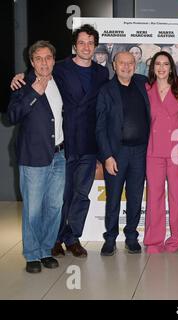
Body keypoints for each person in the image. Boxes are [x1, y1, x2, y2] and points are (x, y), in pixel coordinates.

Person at [11, 24, 110, 258]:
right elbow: (37, 73)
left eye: (90, 43)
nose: (86, 47)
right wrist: (20, 77)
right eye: (82, 42)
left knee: (81, 195)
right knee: (58, 198)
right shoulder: (60, 68)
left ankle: (73, 237)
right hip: (63, 145)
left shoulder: (102, 73)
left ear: (95, 46)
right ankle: (53, 240)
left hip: (88, 145)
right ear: (74, 45)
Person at [8, 41, 65, 273]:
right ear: (32, 62)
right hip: (33, 158)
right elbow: (12, 116)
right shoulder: (22, 84)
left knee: (54, 207)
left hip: (59, 156)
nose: (44, 63)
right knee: (33, 209)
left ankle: (45, 249)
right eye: (38, 58)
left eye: (48, 58)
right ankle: (32, 254)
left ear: (53, 60)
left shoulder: (59, 80)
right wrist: (34, 92)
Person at [96, 52, 150, 256]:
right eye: (122, 63)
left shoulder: (143, 83)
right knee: (113, 198)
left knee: (135, 197)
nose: (126, 67)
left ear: (135, 65)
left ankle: (131, 237)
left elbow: (168, 80)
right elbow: (100, 127)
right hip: (116, 154)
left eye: (130, 63)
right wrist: (107, 156)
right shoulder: (105, 91)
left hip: (141, 152)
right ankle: (110, 238)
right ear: (114, 65)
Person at [144, 51, 178, 254]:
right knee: (154, 195)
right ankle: (154, 241)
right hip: (153, 149)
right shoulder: (146, 89)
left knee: (177, 196)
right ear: (153, 67)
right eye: (158, 64)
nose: (162, 68)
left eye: (165, 64)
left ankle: (175, 240)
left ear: (171, 67)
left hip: (176, 149)